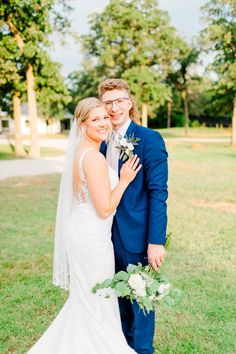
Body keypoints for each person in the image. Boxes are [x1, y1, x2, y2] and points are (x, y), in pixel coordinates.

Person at [28, 97, 142, 354]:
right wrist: (123, 180)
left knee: (87, 299)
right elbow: (104, 209)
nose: (104, 123)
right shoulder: (93, 158)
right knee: (98, 298)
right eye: (96, 119)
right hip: (92, 237)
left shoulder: (81, 152)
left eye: (105, 117)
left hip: (82, 230)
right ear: (82, 124)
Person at [99, 79, 168, 354]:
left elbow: (158, 193)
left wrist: (156, 241)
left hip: (138, 237)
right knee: (117, 301)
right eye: (108, 103)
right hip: (105, 235)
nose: (114, 108)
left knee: (141, 301)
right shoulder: (102, 143)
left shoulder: (150, 139)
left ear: (129, 103)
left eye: (119, 101)